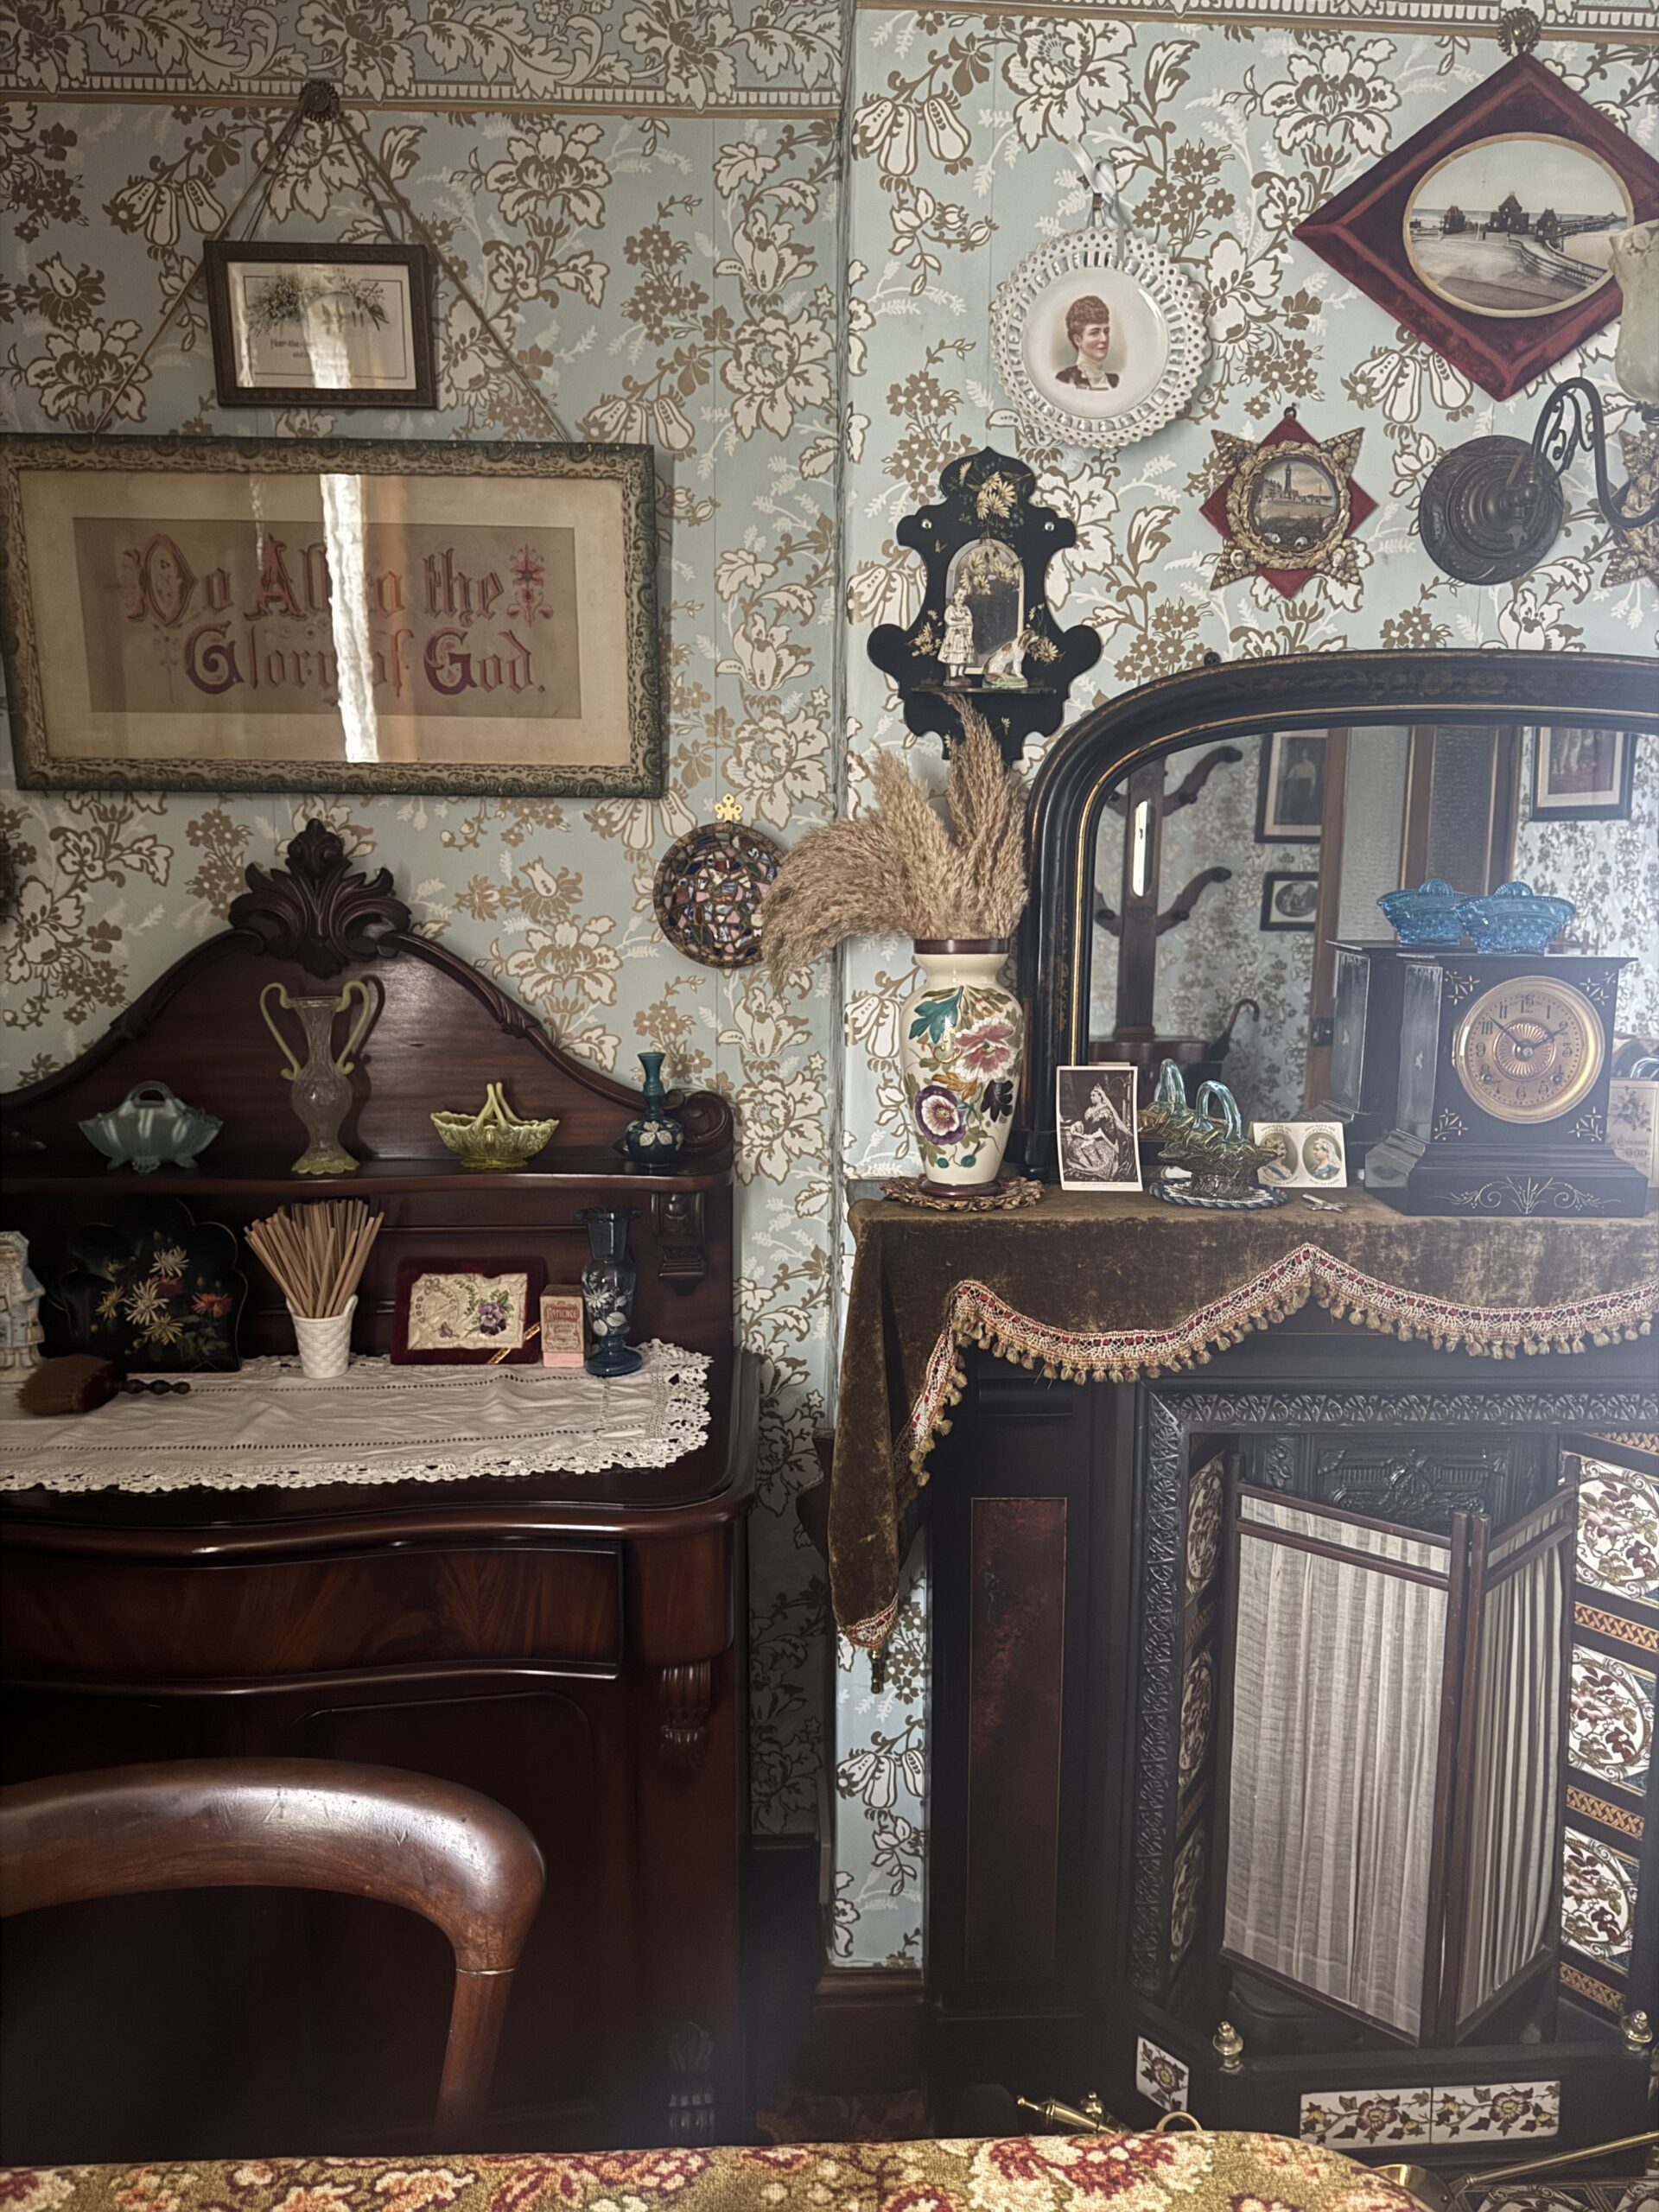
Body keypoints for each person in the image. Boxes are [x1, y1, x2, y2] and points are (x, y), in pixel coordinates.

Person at [1055, 294, 1119, 393]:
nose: (1104, 339)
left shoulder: (1115, 381)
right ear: (1078, 340)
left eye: (1106, 331)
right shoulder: (1066, 379)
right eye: (1094, 333)